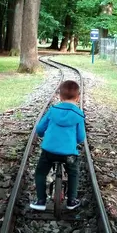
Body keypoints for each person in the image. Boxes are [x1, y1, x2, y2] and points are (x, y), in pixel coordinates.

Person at [30, 80, 86, 211]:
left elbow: (40, 128)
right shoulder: (78, 115)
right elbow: (80, 137)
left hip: (49, 151)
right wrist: (73, 142)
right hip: (69, 154)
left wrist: (42, 134)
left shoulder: (53, 110)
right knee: (73, 173)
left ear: (60, 96)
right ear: (78, 97)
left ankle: (41, 201)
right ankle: (71, 200)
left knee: (40, 172)